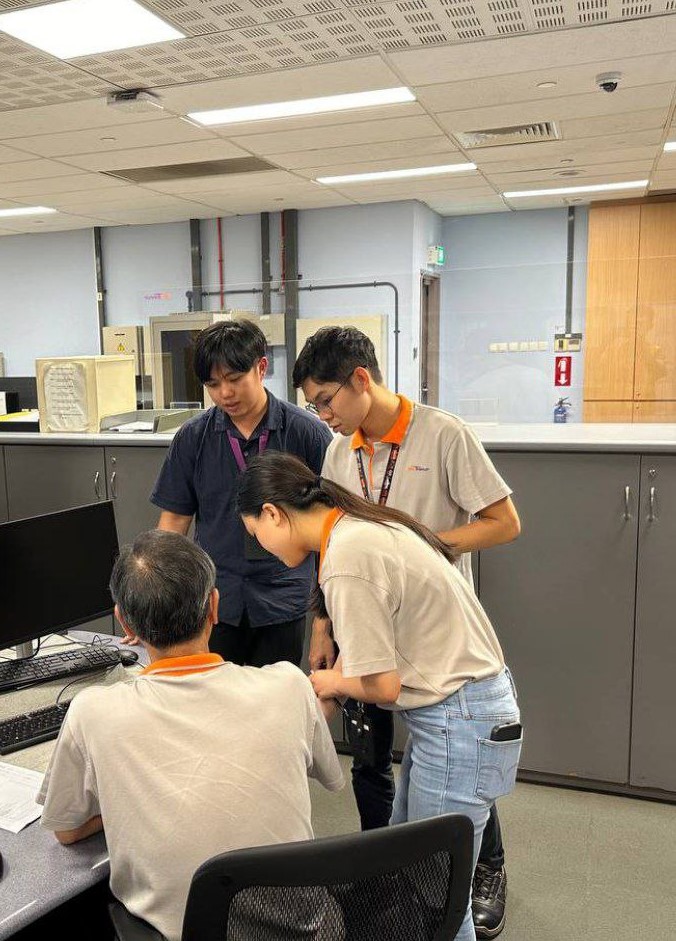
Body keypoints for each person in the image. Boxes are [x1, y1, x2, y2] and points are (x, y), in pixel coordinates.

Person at [292, 326, 521, 939]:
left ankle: (484, 866)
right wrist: (323, 626)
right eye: (312, 405)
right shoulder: (339, 452)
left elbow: (504, 523)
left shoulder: (443, 435)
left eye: (325, 400)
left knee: (454, 770)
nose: (322, 416)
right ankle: (390, 881)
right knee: (393, 768)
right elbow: (332, 540)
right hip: (366, 624)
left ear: (360, 380)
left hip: (435, 642)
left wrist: (426, 545)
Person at [237, 451, 522, 941]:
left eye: (255, 534)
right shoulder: (359, 526)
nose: (259, 547)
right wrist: (341, 673)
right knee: (412, 872)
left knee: (440, 904)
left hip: (460, 718)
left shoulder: (346, 558)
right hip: (460, 713)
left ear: (272, 513)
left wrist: (327, 684)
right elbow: (381, 641)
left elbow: (382, 685)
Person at [37, 530, 344, 941]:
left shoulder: (93, 712)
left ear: (124, 622)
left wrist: (126, 797)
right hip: (304, 931)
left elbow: (67, 829)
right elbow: (324, 773)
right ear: (215, 606)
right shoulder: (288, 686)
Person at [151, 319, 332, 668]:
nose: (225, 394)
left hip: (282, 601)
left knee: (276, 707)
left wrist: (325, 620)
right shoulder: (193, 438)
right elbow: (173, 523)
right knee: (217, 710)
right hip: (215, 604)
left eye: (234, 380)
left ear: (261, 367)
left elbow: (331, 532)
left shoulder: (307, 434)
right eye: (213, 384)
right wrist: (157, 596)